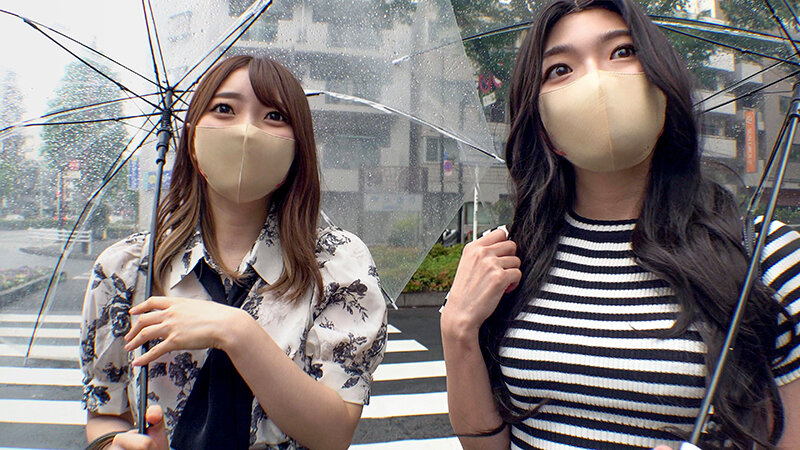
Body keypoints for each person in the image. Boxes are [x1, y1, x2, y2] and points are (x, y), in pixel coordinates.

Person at [441, 0, 800, 448]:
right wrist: (458, 330)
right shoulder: (512, 261)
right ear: (541, 122)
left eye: (622, 51)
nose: (597, 82)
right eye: (560, 69)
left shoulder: (767, 257)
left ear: (663, 82)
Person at [79, 55, 388, 449]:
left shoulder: (336, 264)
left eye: (274, 116)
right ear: (192, 140)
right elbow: (105, 413)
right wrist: (115, 445)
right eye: (224, 109)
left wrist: (237, 332)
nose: (247, 131)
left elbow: (333, 433)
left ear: (299, 148)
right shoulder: (125, 269)